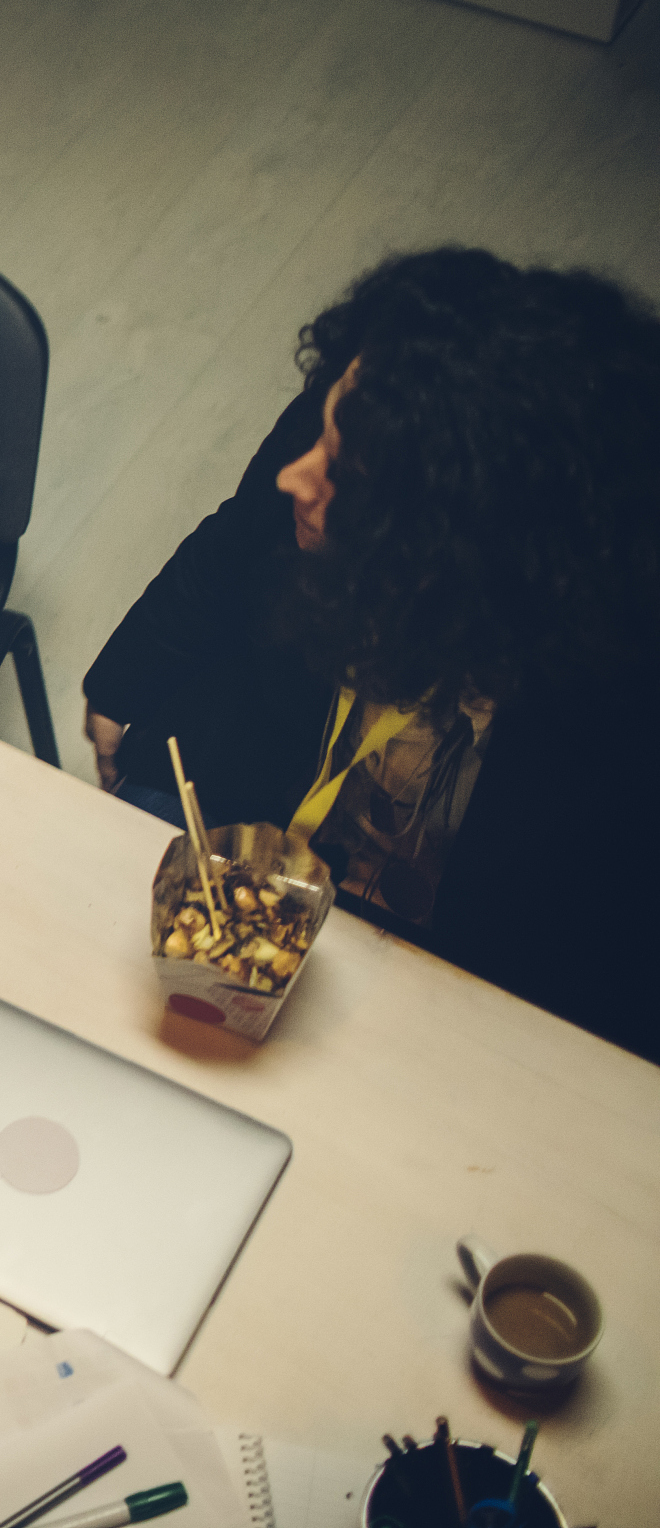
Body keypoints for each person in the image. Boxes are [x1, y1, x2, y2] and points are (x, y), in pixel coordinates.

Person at [84, 247, 660, 1059]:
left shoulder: (608, 746)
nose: (296, 476)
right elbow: (232, 540)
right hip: (254, 827)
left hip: (451, 970)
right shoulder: (364, 416)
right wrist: (122, 681)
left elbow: (568, 1000)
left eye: (337, 474)